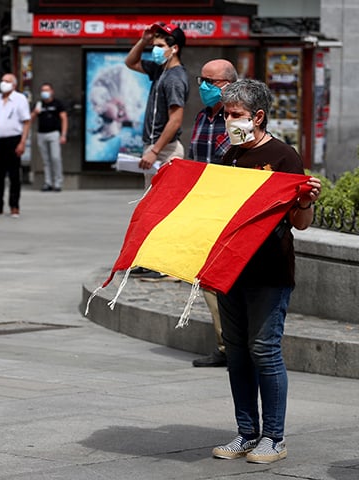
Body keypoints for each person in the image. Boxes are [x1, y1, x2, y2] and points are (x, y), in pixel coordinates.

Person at [211, 79, 321, 464]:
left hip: (269, 270)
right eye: (226, 114)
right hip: (230, 269)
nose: (228, 121)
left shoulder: (283, 156)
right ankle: (246, 432)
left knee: (264, 350)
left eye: (236, 115)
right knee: (238, 352)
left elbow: (300, 221)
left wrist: (305, 201)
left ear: (258, 116)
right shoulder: (227, 156)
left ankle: (274, 436)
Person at [188, 59, 238, 368]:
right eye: (202, 80)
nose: (205, 87)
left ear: (230, 84)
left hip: (229, 210)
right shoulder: (203, 117)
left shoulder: (240, 120)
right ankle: (225, 344)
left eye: (212, 82)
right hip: (204, 208)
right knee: (207, 278)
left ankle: (231, 345)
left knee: (223, 280)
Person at [124, 21, 189, 188]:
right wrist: (143, 41)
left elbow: (175, 120)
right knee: (151, 201)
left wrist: (154, 151)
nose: (155, 49)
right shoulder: (160, 69)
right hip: (157, 147)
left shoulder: (175, 79)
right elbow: (131, 62)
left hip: (165, 150)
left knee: (161, 203)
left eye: (160, 45)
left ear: (174, 49)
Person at [0, 73, 30, 218]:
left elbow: (26, 122)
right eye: (2, 80)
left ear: (14, 84)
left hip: (13, 139)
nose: (4, 83)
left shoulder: (20, 99)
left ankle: (14, 205)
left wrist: (22, 142)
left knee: (14, 174)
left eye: (7, 81)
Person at [31, 82, 68, 192]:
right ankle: (48, 182)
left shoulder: (57, 104)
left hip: (54, 133)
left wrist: (63, 134)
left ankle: (58, 182)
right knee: (46, 160)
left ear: (52, 91)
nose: (44, 92)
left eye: (47, 90)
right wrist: (35, 113)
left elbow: (64, 118)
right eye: (43, 90)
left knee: (55, 158)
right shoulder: (39, 104)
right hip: (41, 134)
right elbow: (30, 120)